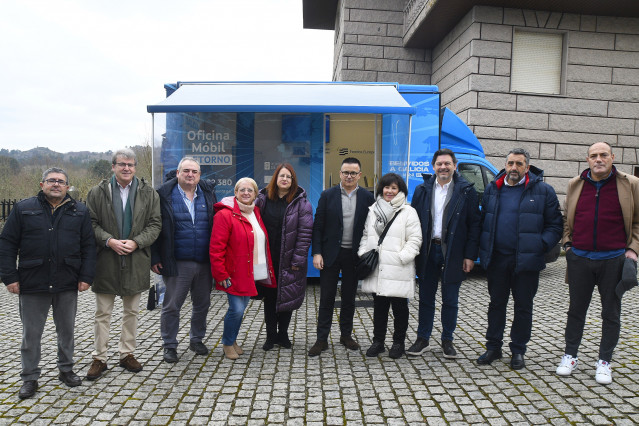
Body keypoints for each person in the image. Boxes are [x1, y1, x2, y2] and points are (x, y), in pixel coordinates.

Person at [0, 168, 96, 399]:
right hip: (33, 282)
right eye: (51, 181)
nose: (56, 184)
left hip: (67, 281)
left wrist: (86, 276)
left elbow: (89, 247)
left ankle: (66, 370)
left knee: (67, 331)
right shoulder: (23, 209)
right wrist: (10, 277)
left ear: (67, 187)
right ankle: (30, 377)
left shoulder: (79, 211)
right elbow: (7, 244)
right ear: (42, 184)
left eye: (61, 182)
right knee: (31, 334)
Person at [556, 142, 639, 385]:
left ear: (613, 157)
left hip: (613, 260)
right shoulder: (575, 184)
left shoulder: (630, 184)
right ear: (587, 159)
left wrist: (632, 251)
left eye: (603, 155)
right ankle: (570, 355)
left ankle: (604, 361)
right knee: (575, 311)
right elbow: (567, 219)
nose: (599, 159)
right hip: (579, 260)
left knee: (610, 313)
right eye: (594, 156)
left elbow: (637, 222)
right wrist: (568, 246)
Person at [477, 148, 562, 370]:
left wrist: (539, 245)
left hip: (526, 261)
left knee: (523, 306)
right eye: (511, 163)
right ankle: (493, 347)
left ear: (527, 167)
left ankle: (518, 350)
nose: (514, 168)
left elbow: (555, 226)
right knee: (496, 305)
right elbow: (484, 220)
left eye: (519, 164)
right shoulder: (492, 189)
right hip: (498, 260)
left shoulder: (543, 191)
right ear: (505, 165)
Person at [85, 148, 161, 380]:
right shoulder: (97, 192)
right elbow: (90, 223)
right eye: (121, 164)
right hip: (106, 260)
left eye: (130, 164)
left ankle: (127, 354)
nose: (126, 168)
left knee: (132, 312)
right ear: (113, 167)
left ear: (135, 167)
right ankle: (100, 358)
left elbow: (155, 224)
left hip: (136, 259)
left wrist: (137, 242)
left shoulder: (149, 193)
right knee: (103, 313)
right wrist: (109, 241)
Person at [406, 149, 481, 358]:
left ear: (454, 166)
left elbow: (474, 225)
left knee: (450, 299)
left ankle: (448, 340)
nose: (443, 167)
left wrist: (469, 256)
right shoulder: (423, 190)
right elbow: (413, 223)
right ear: (433, 167)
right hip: (428, 249)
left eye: (447, 163)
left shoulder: (466, 191)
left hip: (454, 252)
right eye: (439, 164)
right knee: (426, 297)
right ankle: (423, 339)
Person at [151, 157, 217, 363]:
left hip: (204, 261)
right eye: (186, 171)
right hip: (178, 261)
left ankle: (196, 339)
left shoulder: (207, 193)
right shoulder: (164, 195)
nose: (190, 174)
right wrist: (154, 256)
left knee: (202, 304)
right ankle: (169, 345)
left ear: (199, 175)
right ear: (178, 173)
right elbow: (154, 226)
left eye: (195, 172)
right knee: (171, 305)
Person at [308, 157, 375, 357]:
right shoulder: (327, 195)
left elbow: (370, 228)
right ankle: (321, 339)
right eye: (346, 172)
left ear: (359, 175)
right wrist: (317, 252)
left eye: (353, 173)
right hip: (330, 254)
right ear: (340, 173)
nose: (349, 176)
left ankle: (346, 335)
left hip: (353, 256)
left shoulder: (367, 197)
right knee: (326, 297)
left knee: (348, 298)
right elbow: (318, 226)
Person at [209, 177, 277, 360]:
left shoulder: (256, 212)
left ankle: (233, 339)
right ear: (235, 193)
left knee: (241, 308)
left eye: (250, 190)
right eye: (242, 190)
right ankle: (227, 342)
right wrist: (220, 273)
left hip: (250, 271)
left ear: (255, 194)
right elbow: (216, 247)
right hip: (233, 272)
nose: (246, 193)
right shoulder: (224, 215)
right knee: (236, 309)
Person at [358, 173, 422, 359]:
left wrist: (403, 257)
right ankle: (378, 342)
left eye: (394, 188)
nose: (390, 191)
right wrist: (363, 253)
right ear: (381, 189)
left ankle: (398, 343)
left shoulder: (408, 211)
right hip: (378, 268)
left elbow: (415, 239)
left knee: (400, 308)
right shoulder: (373, 210)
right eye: (386, 187)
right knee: (379, 307)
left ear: (400, 190)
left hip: (398, 268)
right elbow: (365, 235)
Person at [255, 164, 313, 350]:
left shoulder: (301, 203)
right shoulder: (262, 200)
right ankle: (271, 336)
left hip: (289, 260)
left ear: (293, 180)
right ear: (275, 178)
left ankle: (283, 335)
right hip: (267, 260)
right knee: (270, 298)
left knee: (286, 298)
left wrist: (298, 260)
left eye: (289, 176)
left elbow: (305, 234)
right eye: (282, 176)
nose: (285, 179)